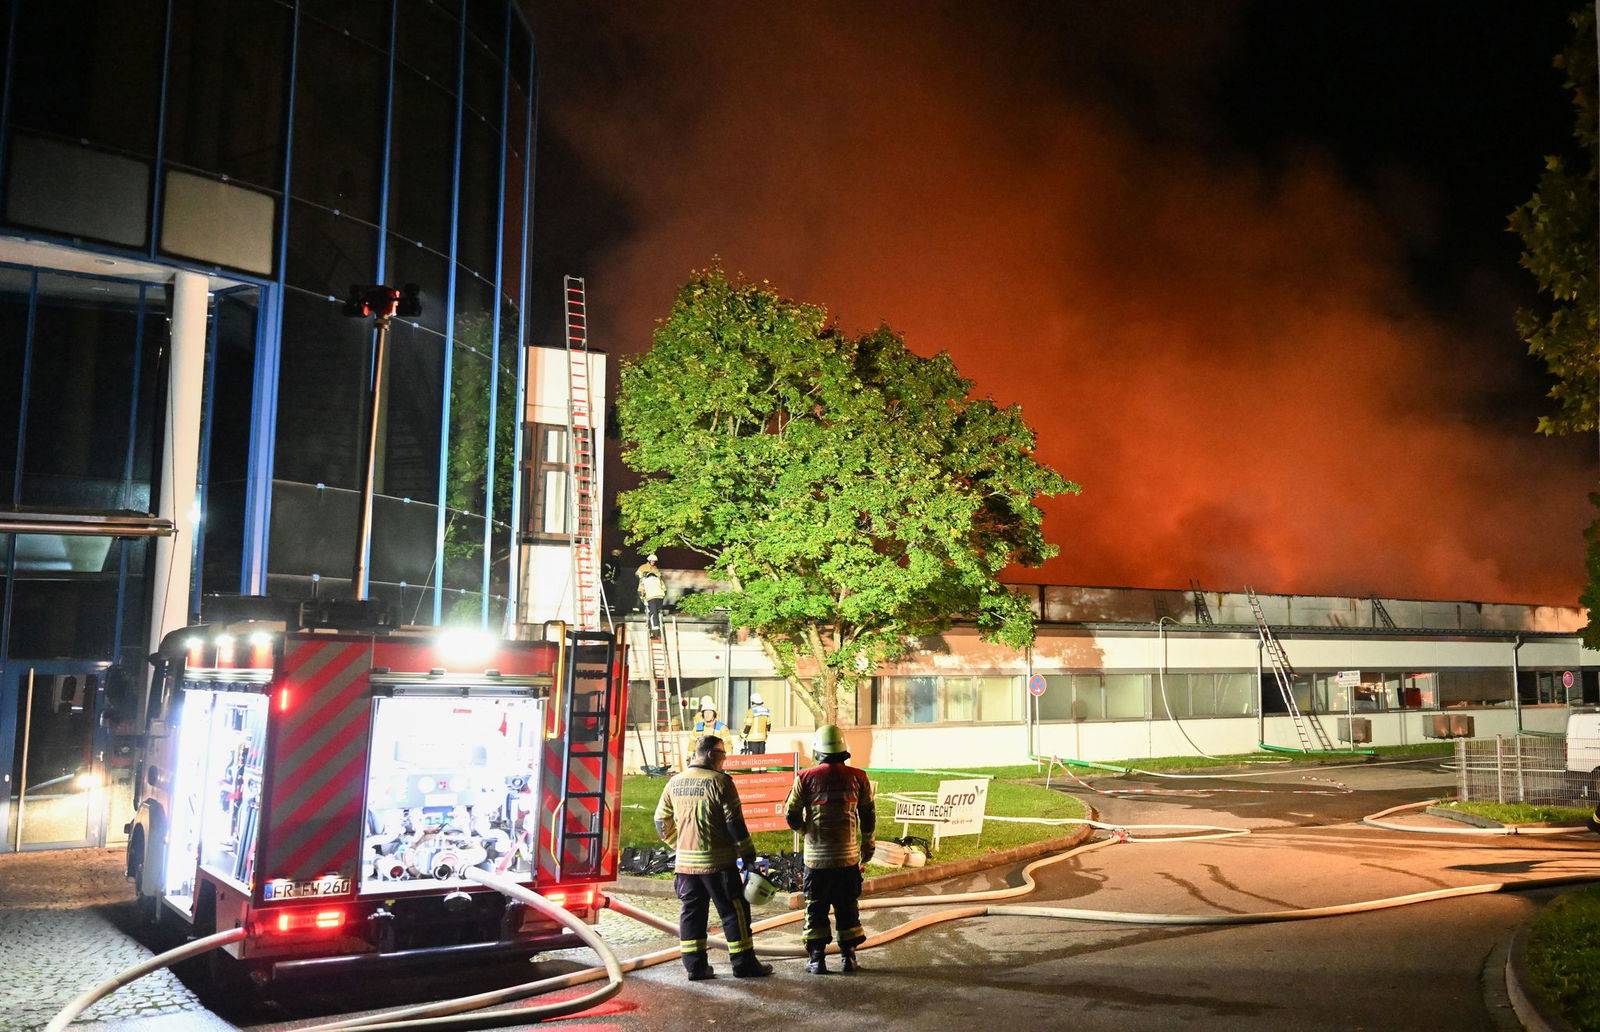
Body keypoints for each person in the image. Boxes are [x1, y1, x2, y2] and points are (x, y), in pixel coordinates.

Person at [653, 735, 774, 981]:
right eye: (723, 754)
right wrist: (748, 857)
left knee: (692, 914)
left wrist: (680, 845)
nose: (724, 759)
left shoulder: (674, 782)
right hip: (718, 865)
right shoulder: (721, 782)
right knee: (734, 912)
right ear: (711, 754)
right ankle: (743, 964)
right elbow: (735, 825)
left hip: (685, 866)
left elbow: (660, 821)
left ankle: (695, 968)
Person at [784, 724, 875, 974]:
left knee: (816, 908)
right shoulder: (859, 777)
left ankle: (817, 960)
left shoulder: (804, 778)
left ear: (818, 751)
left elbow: (790, 814)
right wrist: (868, 845)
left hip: (816, 861)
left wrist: (805, 831)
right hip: (847, 858)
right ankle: (848, 958)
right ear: (843, 749)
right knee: (847, 907)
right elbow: (868, 815)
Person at [636, 553, 667, 635]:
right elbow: (637, 574)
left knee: (653, 612)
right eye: (652, 561)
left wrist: (645, 600)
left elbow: (659, 577)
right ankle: (638, 609)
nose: (653, 562)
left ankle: (654, 630)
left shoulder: (655, 569)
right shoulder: (643, 567)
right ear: (649, 560)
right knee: (653, 611)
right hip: (655, 594)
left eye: (654, 561)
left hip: (651, 595)